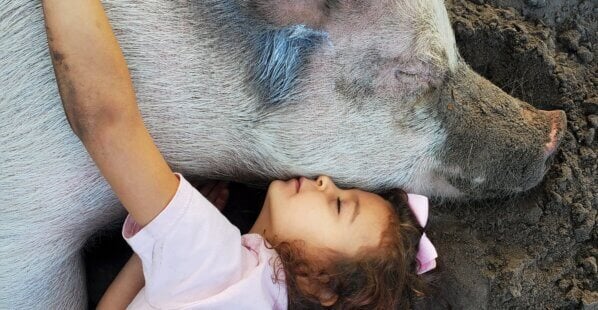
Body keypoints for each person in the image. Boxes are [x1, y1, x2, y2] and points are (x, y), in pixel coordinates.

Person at [41, 0, 438, 308]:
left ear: (323, 287)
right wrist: (162, 244)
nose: (325, 181)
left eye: (337, 205)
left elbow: (106, 124)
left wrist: (179, 233)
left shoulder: (218, 262)